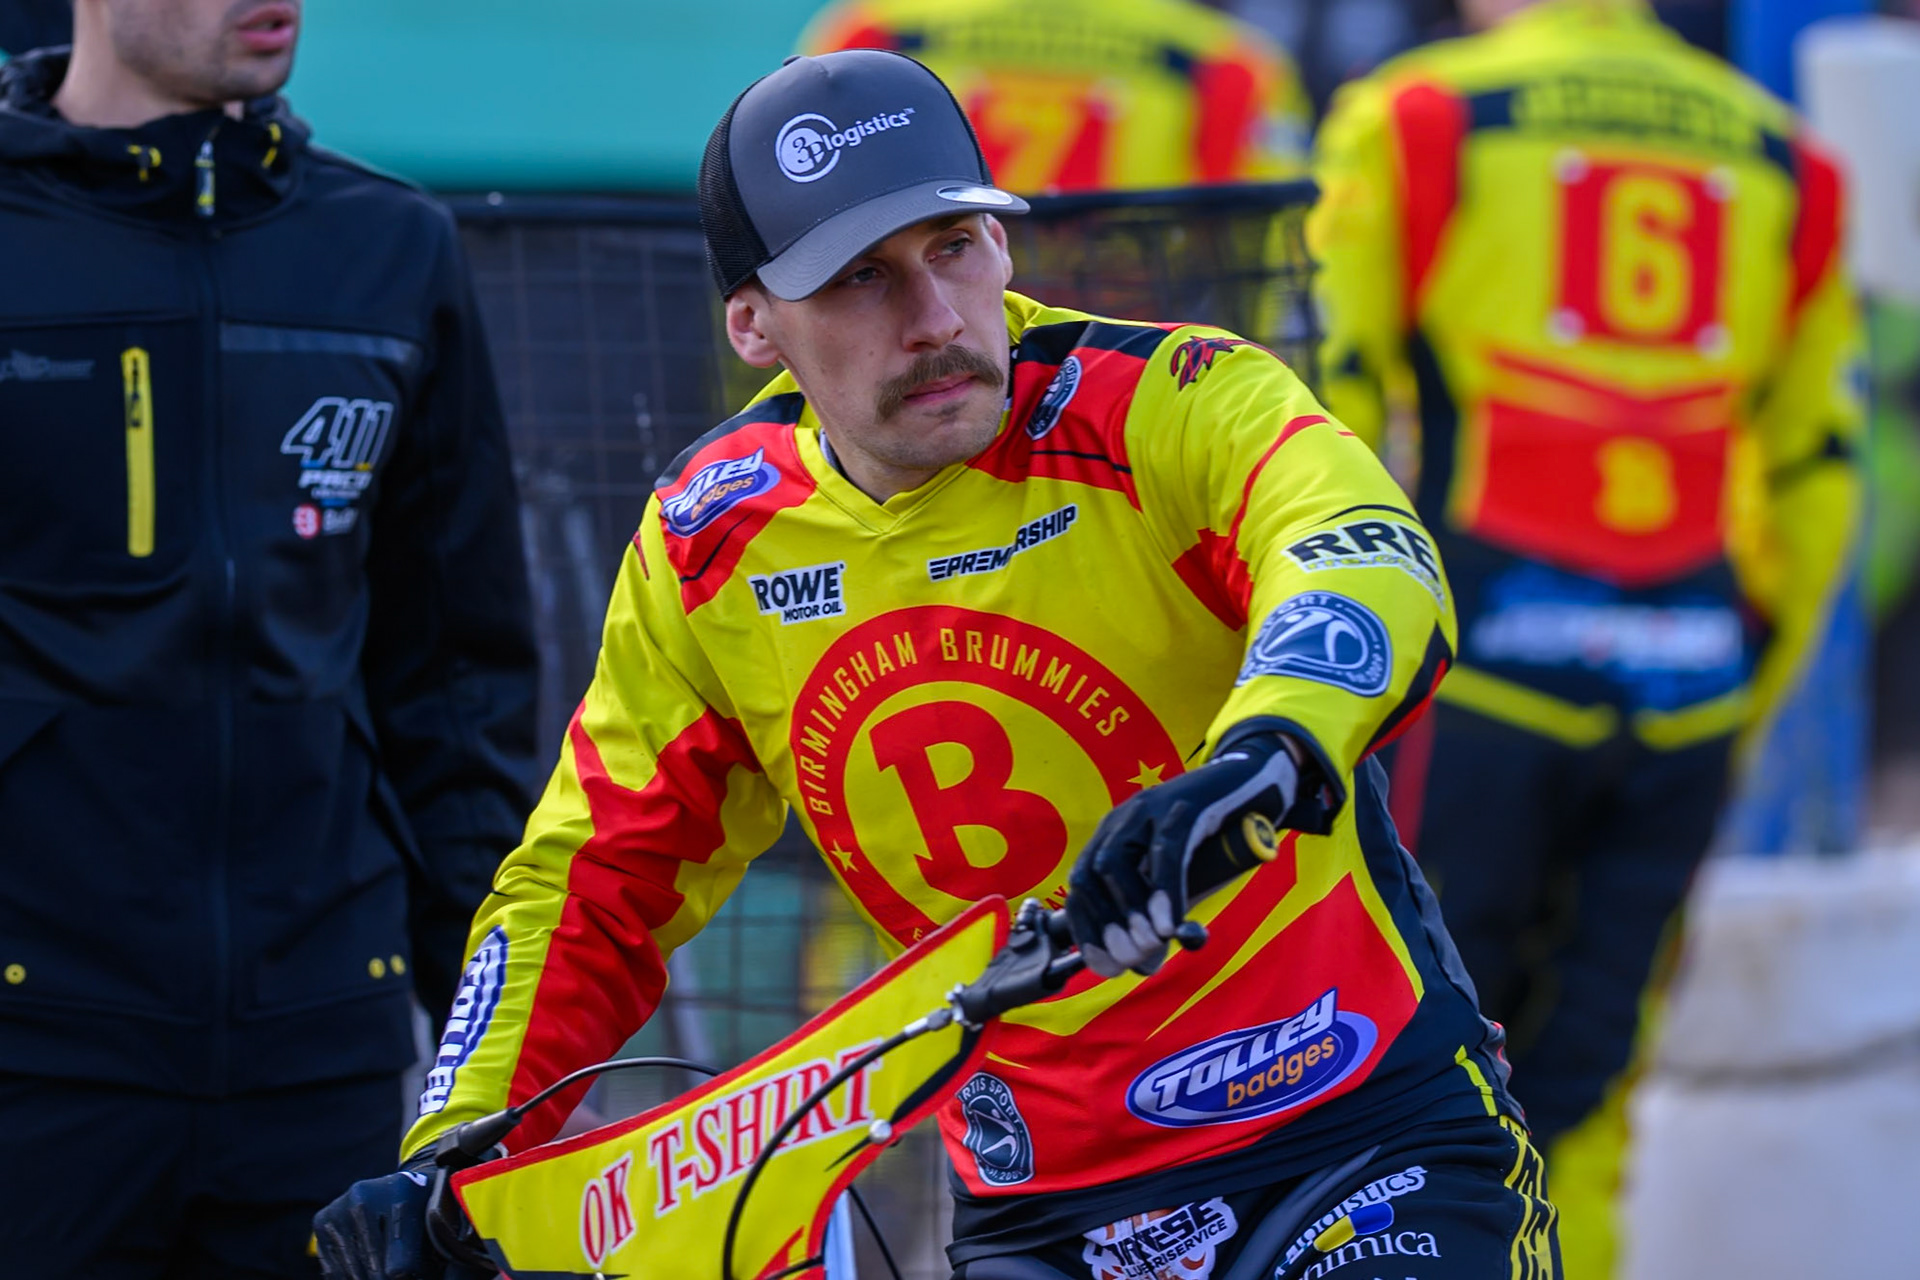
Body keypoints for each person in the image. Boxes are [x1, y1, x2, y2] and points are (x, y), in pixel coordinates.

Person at [316, 48, 1558, 1280]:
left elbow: (1366, 556)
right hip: (1045, 1203)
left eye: (955, 245)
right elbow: (585, 885)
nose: (934, 318)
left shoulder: (1172, 401)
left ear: (1003, 247)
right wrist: (453, 1156)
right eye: (860, 277)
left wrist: (1263, 752)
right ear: (752, 324)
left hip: (1352, 1128)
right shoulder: (711, 540)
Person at [1309, 0, 1862, 1271]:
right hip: (1687, 691)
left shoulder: (1417, 115)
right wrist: (1732, 683)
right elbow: (1821, 481)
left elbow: (1321, 401)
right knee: (1591, 1091)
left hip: (1464, 690)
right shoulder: (1791, 159)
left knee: (1393, 1082)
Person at [0, 1, 539, 1275]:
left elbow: (458, 685)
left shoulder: (393, 247)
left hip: (324, 1056)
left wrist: (495, 1052)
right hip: (36, 1053)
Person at [797, 0, 1312, 192]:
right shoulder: (1229, 62)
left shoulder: (870, 31)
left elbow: (814, 202)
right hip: (1132, 352)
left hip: (926, 337)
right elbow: (1266, 236)